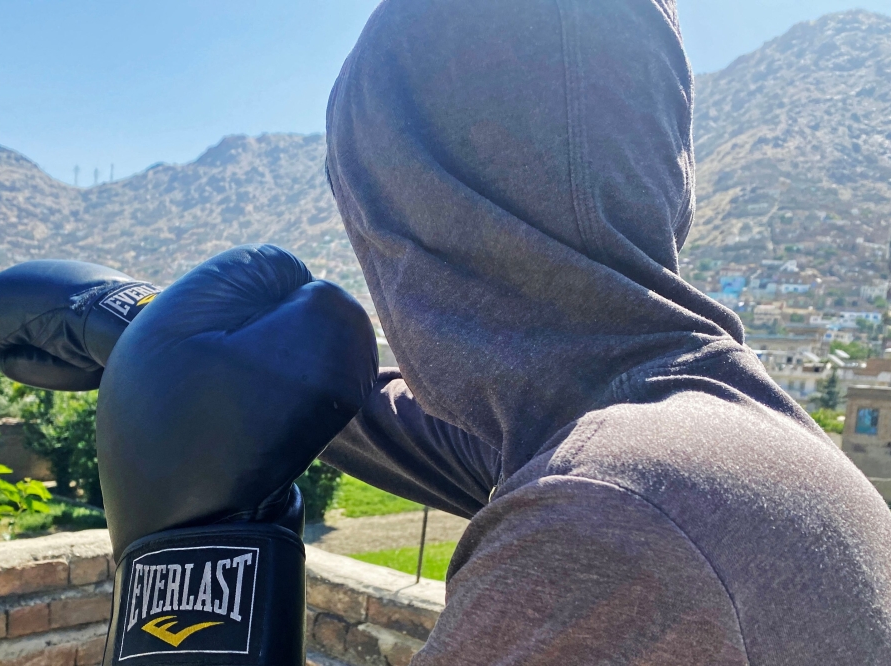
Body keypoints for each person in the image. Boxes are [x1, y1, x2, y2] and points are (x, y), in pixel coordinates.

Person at [319, 0, 891, 663]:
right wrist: (293, 377)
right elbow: (430, 435)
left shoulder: (604, 518)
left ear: (420, 229)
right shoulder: (703, 424)